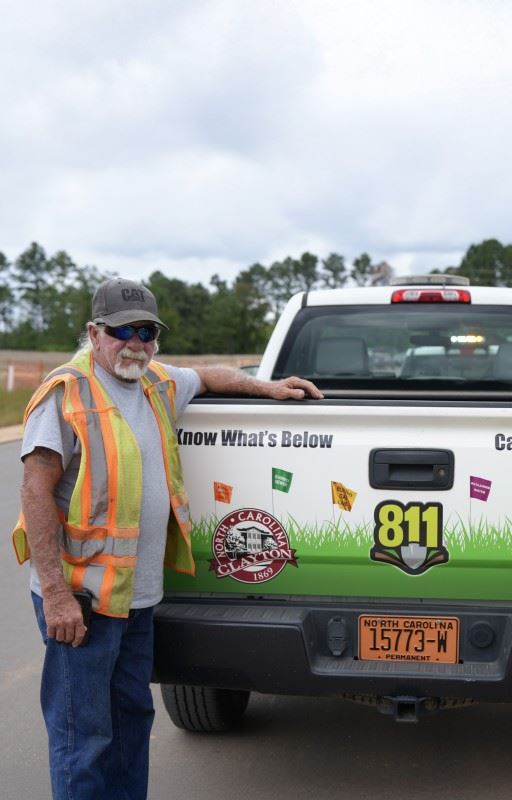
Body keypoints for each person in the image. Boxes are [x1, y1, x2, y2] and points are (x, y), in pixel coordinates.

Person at [12, 278, 323, 800]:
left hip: (137, 599)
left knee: (132, 725)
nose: (136, 342)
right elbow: (35, 492)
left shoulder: (156, 381)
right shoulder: (67, 394)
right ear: (94, 332)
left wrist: (266, 387)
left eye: (148, 331)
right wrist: (57, 594)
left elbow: (206, 376)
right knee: (83, 738)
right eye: (123, 331)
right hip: (82, 603)